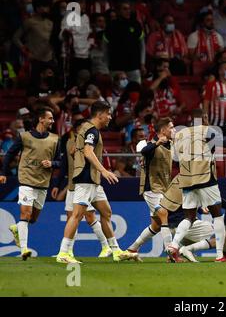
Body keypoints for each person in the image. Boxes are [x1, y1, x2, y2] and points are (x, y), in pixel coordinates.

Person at [56, 101, 138, 264]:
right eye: (108, 114)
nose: (109, 117)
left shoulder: (85, 129)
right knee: (77, 215)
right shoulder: (92, 130)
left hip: (92, 180)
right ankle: (63, 253)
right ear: (99, 114)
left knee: (106, 212)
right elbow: (87, 151)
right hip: (86, 178)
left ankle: (115, 251)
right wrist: (104, 170)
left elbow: (75, 151)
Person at [167, 109, 226, 262]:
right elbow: (224, 142)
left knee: (189, 217)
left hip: (187, 179)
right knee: (217, 215)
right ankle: (220, 255)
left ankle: (173, 246)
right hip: (205, 178)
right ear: (205, 118)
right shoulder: (208, 130)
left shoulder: (180, 134)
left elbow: (174, 157)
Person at [5, 107, 60, 260]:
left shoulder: (55, 139)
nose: (52, 121)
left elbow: (60, 161)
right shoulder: (24, 137)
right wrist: (3, 173)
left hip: (43, 182)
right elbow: (10, 154)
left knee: (33, 219)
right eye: (50, 118)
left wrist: (52, 163)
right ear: (41, 119)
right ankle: (24, 249)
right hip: (26, 179)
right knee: (26, 214)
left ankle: (17, 228)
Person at [51, 118, 111, 259]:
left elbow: (89, 156)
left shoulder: (90, 141)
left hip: (85, 182)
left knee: (88, 216)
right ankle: (68, 251)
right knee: (71, 217)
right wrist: (57, 185)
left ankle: (105, 246)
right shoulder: (69, 143)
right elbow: (65, 165)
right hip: (73, 185)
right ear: (77, 130)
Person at [127, 118, 175, 254]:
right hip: (152, 188)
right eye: (171, 128)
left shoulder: (170, 144)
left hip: (164, 188)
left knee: (156, 225)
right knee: (164, 213)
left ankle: (132, 249)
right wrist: (157, 142)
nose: (174, 130)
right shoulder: (150, 144)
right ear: (163, 130)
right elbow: (144, 152)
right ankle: (171, 252)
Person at [103, 1, 146, 83]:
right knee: (117, 93)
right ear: (119, 11)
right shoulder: (111, 26)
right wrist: (106, 66)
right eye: (125, 9)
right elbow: (105, 48)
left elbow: (142, 45)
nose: (128, 11)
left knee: (135, 92)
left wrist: (142, 63)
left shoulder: (136, 24)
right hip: (116, 67)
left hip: (133, 67)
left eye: (129, 9)